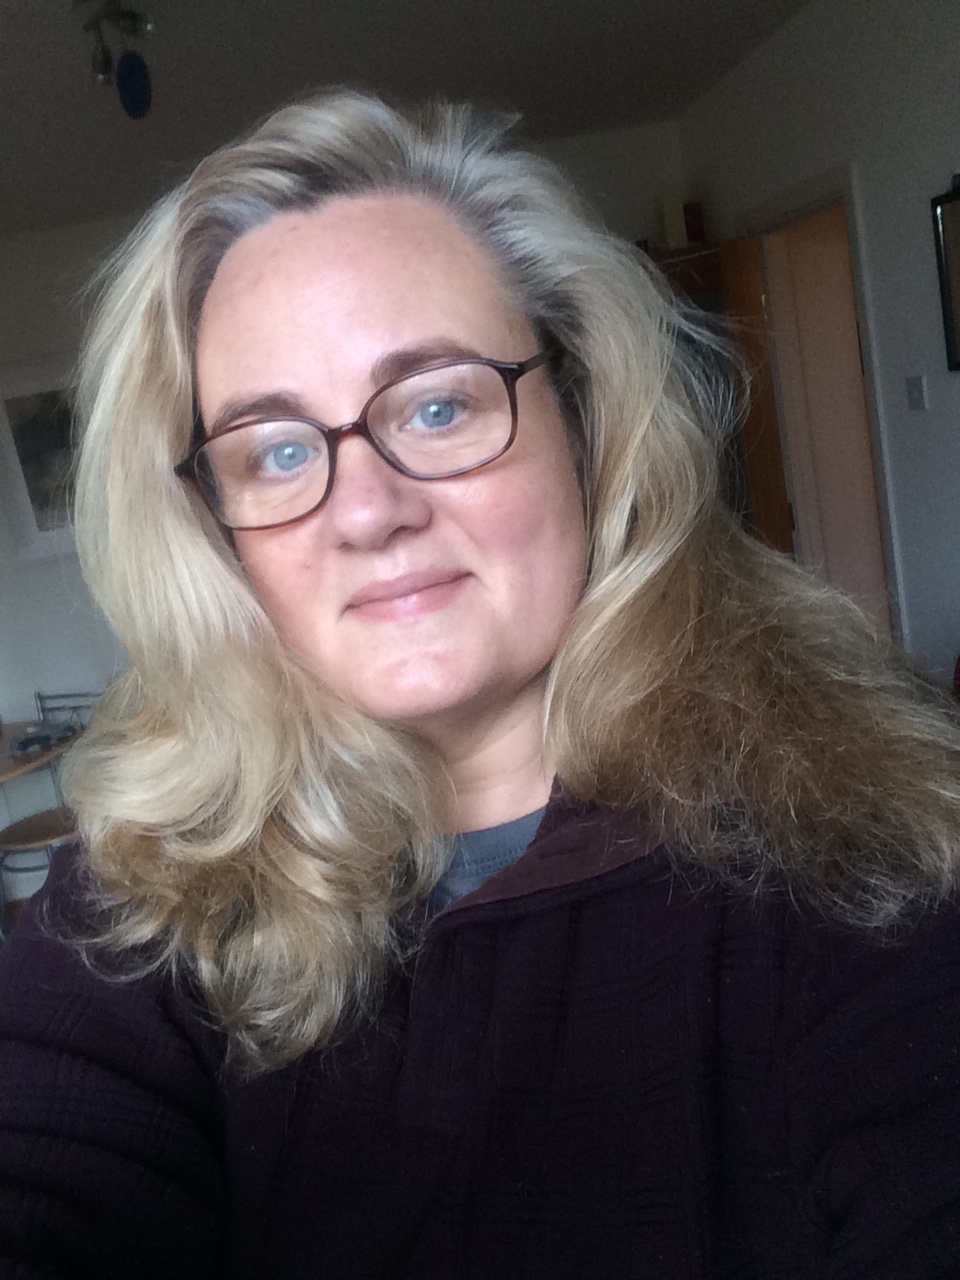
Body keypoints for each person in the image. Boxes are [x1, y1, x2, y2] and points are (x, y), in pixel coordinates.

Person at [0, 90, 959, 1280]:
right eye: (277, 450)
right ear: (216, 531)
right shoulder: (146, 889)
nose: (366, 510)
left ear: (586, 422)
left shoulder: (858, 852)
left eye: (439, 402)